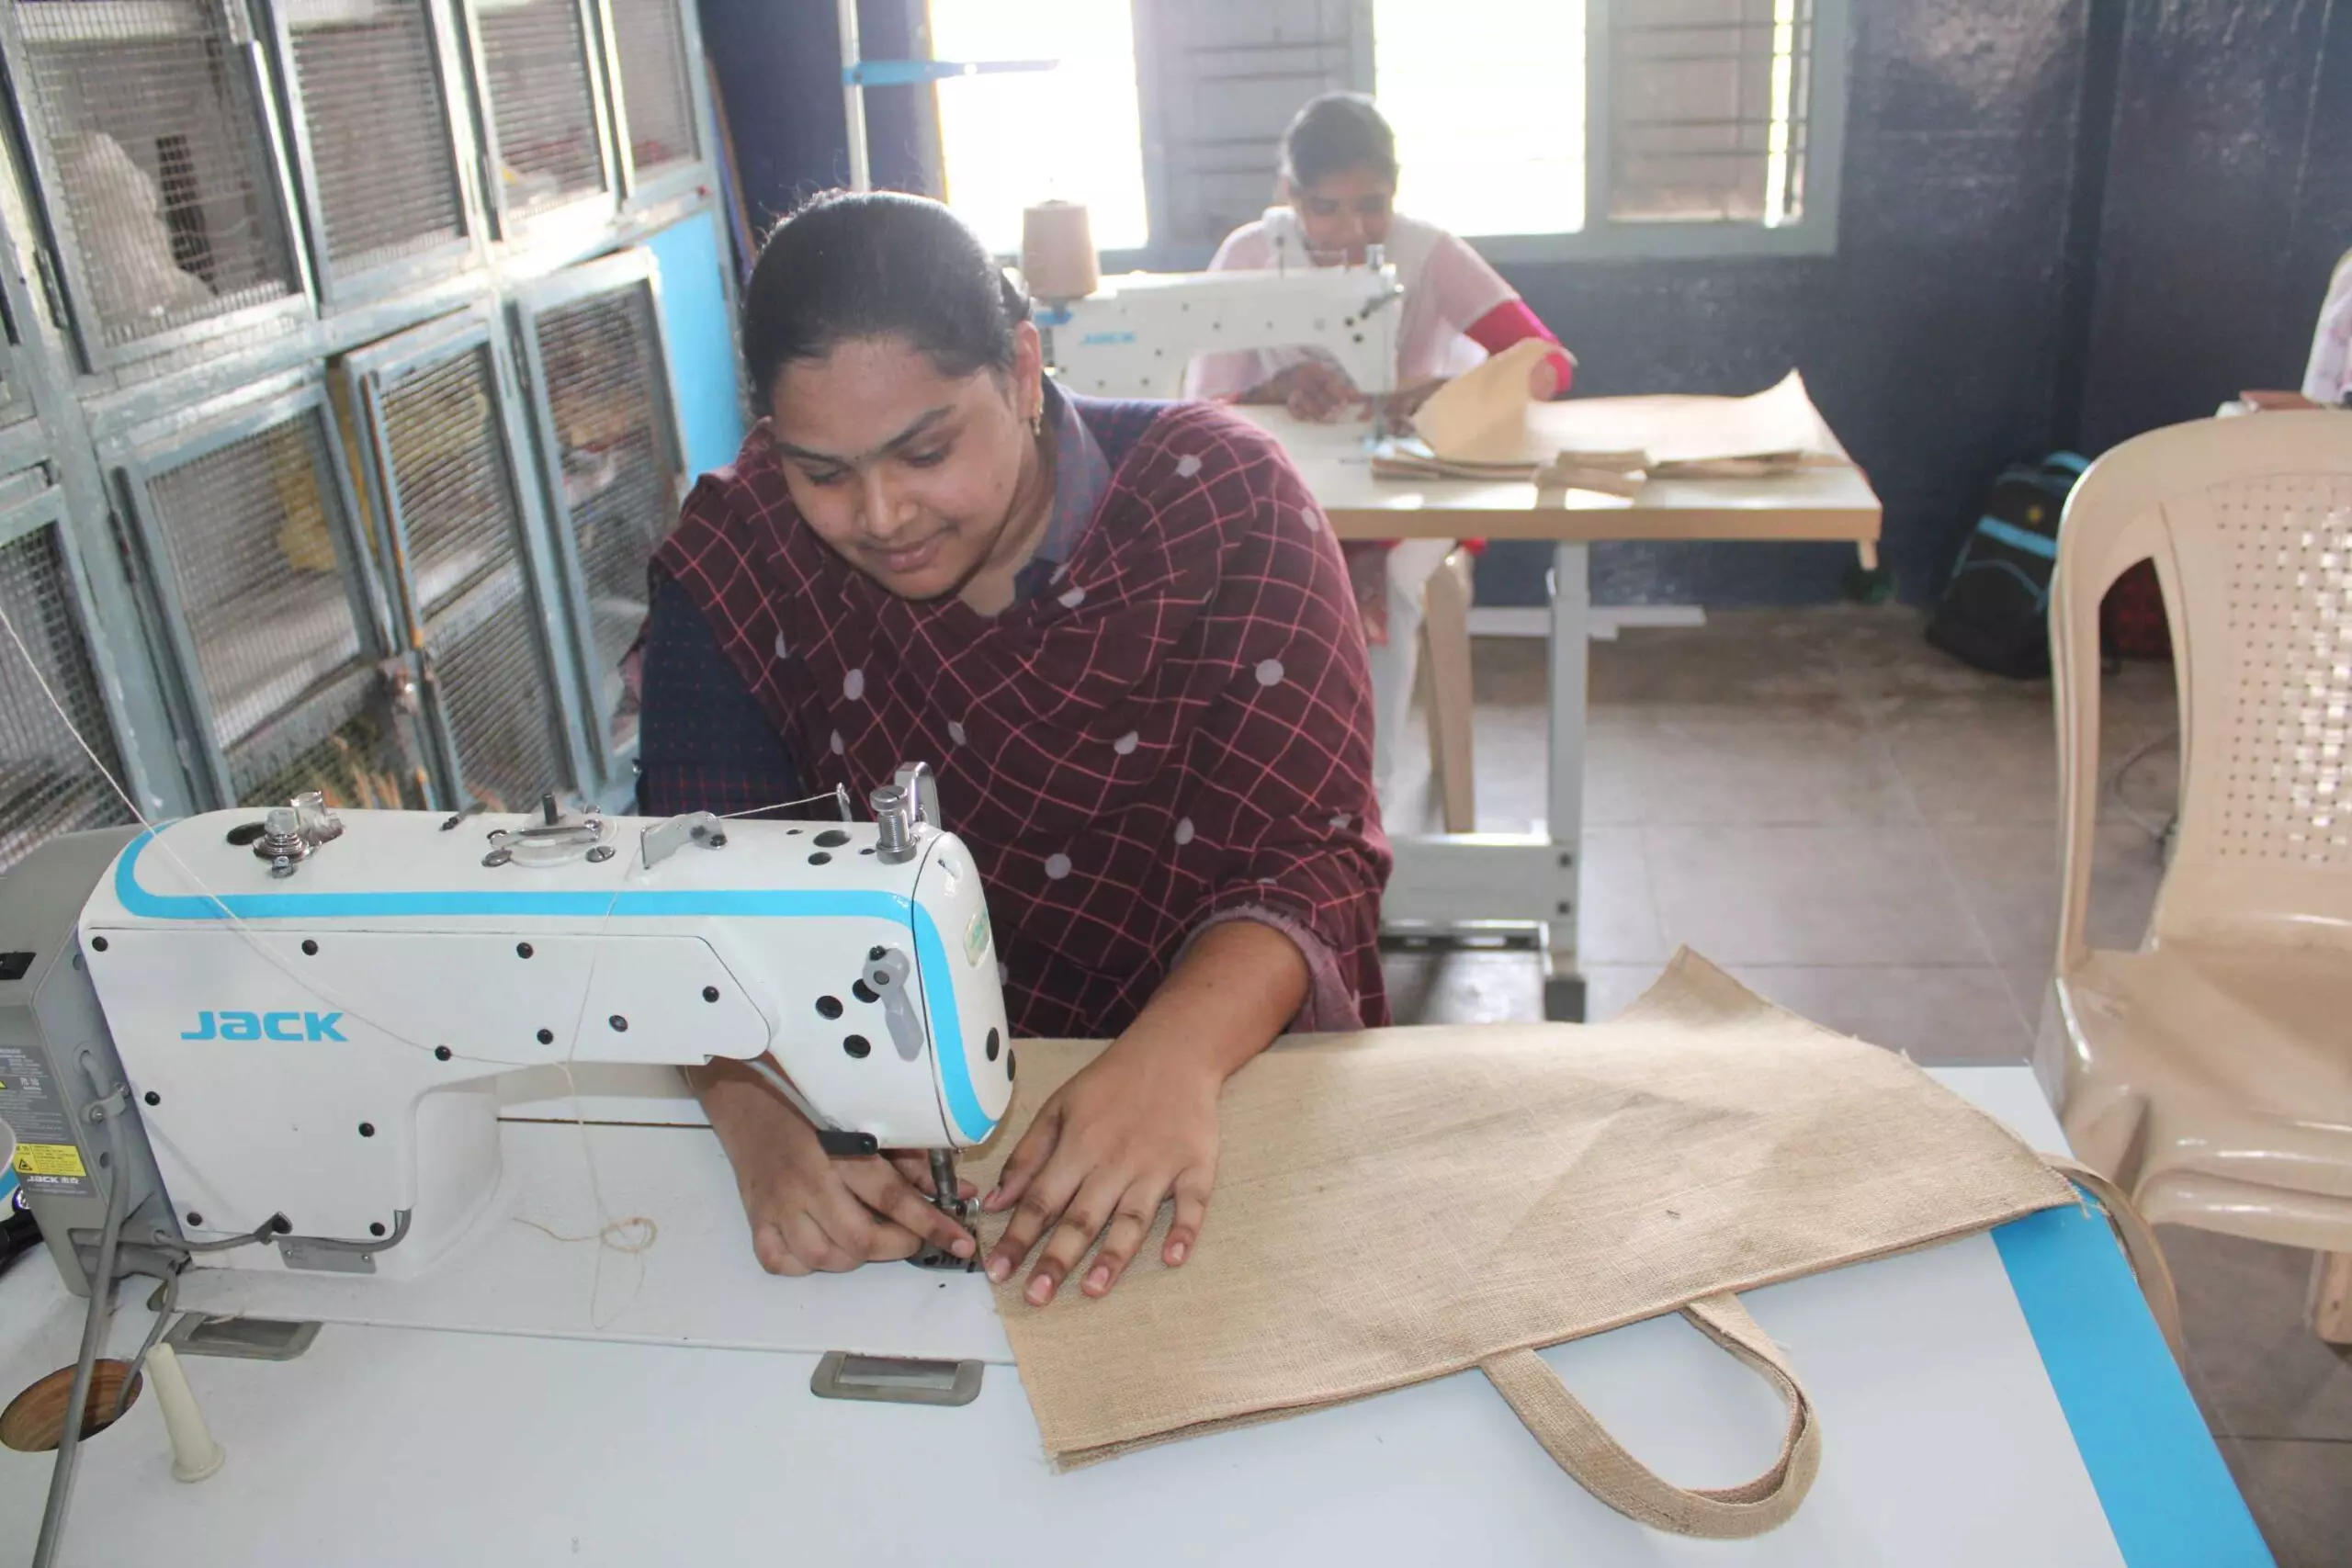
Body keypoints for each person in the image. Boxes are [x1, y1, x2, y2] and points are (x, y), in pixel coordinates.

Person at [636, 191, 1390, 1308]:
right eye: (822, 472)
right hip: (892, 1101)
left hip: (1226, 1066)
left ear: (1025, 372)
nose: (881, 514)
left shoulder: (1221, 504)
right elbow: (698, 892)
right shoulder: (740, 560)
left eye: (925, 450)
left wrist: (1174, 1056)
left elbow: (1312, 857)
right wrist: (753, 1115)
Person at [1184, 93, 1577, 797]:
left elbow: (1548, 361)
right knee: (1257, 580)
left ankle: (1370, 797)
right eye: (1325, 208)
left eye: (1372, 204)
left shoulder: (1426, 252)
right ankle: (1278, 792)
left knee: (1382, 585)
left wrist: (1443, 393)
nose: (1351, 230)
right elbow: (1200, 405)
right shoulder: (1249, 255)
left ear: (1396, 193)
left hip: (1411, 477)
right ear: (1289, 198)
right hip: (1299, 485)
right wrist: (1276, 389)